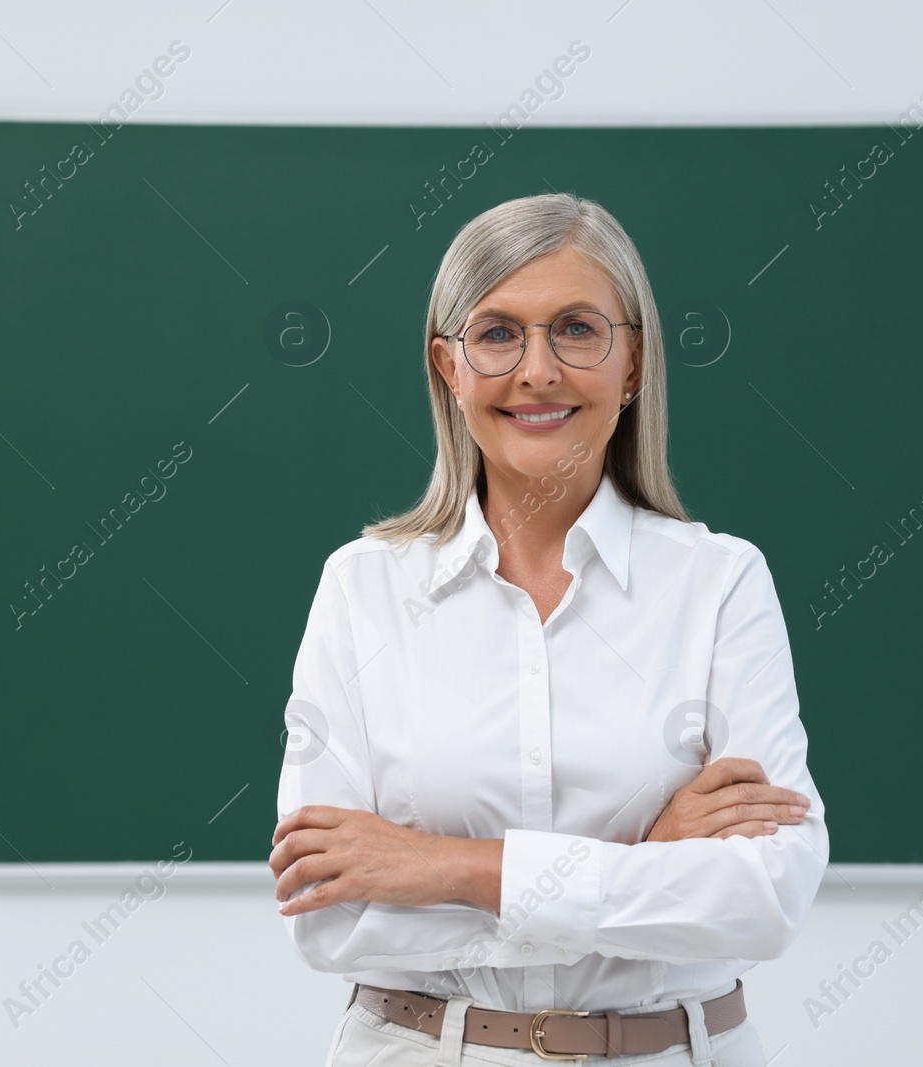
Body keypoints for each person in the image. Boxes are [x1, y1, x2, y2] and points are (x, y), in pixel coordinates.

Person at [270, 192, 828, 1066]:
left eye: (576, 328)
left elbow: (764, 895)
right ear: (448, 368)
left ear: (633, 361)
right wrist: (640, 860)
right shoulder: (363, 589)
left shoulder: (720, 584)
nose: (538, 370)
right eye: (497, 333)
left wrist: (445, 867)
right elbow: (333, 916)